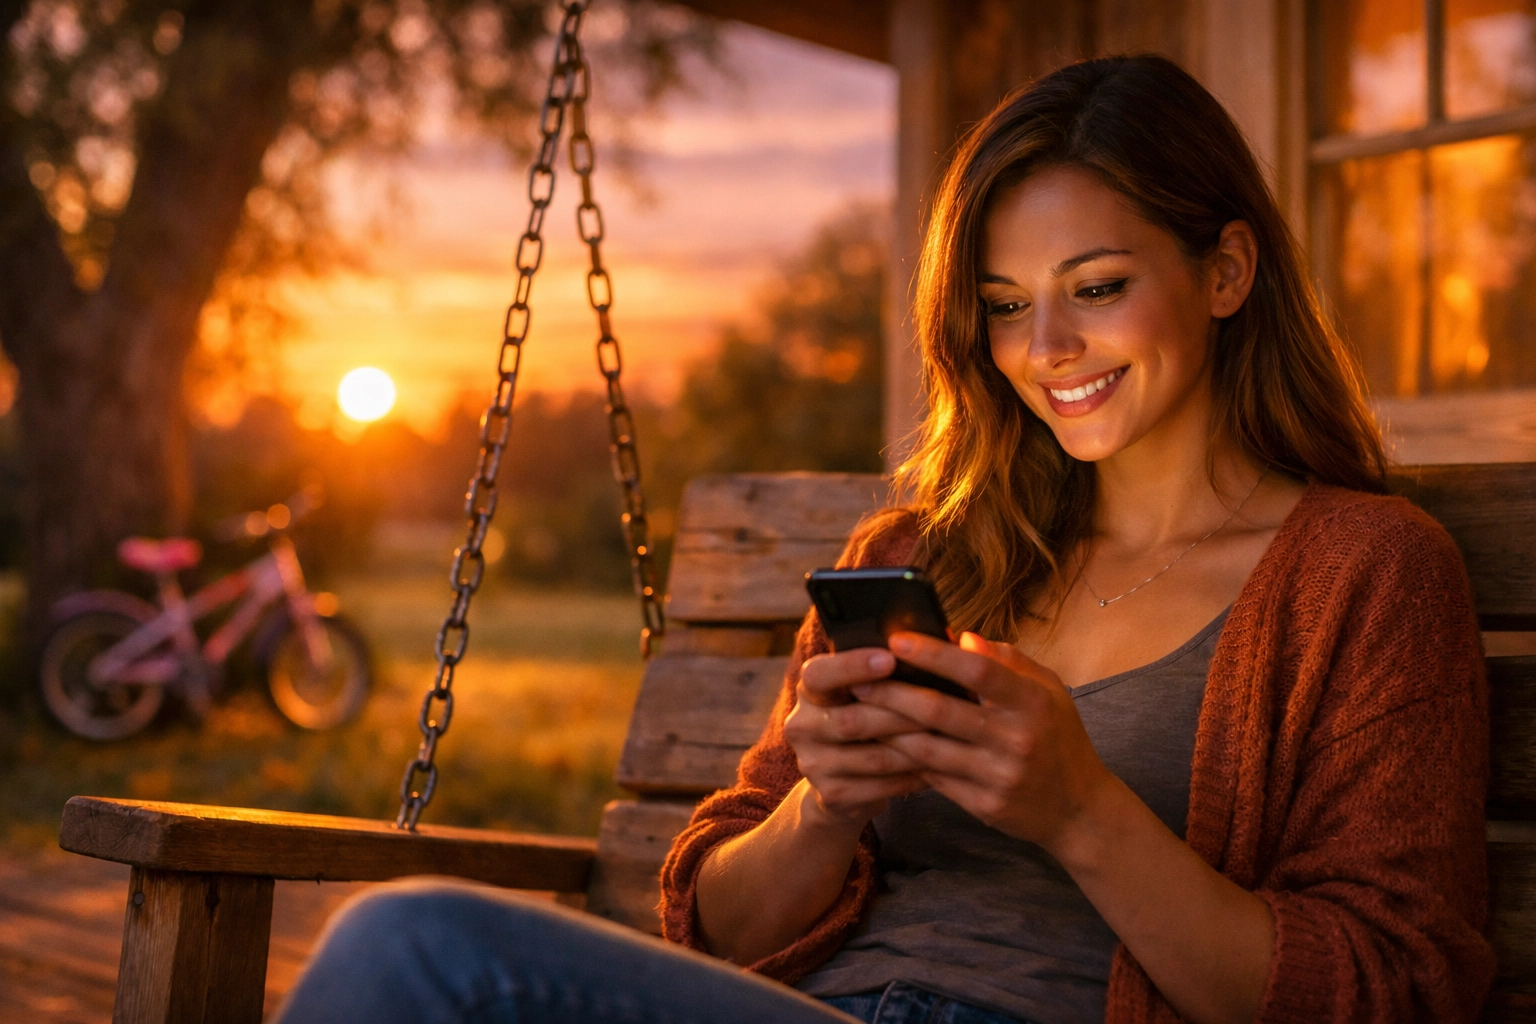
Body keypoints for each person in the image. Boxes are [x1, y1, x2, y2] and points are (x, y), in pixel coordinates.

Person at [274, 54, 1492, 1024]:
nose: (1046, 348)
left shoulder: (1363, 572)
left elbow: (1394, 986)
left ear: (1225, 272)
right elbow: (716, 928)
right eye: (1004, 305)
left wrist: (1082, 811)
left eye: (1098, 286)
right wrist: (824, 805)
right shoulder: (927, 554)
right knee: (408, 953)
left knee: (414, 947)